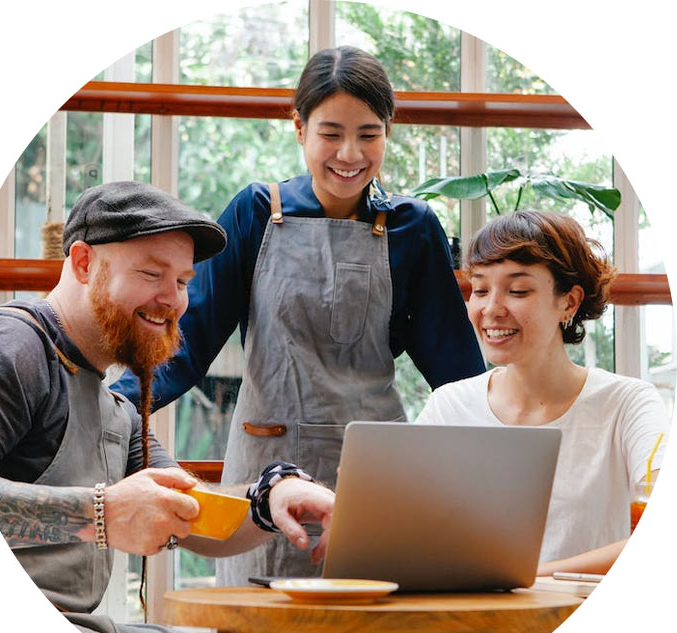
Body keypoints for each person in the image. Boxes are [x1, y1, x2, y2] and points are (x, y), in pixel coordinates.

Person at [112, 46, 485, 590]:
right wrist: (114, 404)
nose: (350, 153)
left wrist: (508, 458)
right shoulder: (255, 212)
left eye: (369, 133)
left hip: (376, 475)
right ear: (299, 128)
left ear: (389, 131)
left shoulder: (414, 227)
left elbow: (456, 373)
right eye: (331, 133)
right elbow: (187, 345)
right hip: (267, 473)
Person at [0, 181, 334, 633]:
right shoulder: (11, 347)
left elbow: (192, 513)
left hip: (84, 630)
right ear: (84, 263)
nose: (174, 299)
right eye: (151, 273)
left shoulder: (114, 406)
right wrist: (100, 512)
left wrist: (270, 496)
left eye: (182, 281)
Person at [319, 209, 669, 633]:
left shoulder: (627, 404)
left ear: (568, 302)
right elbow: (410, 537)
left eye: (519, 290)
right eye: (480, 290)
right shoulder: (450, 405)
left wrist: (531, 575)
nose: (491, 309)